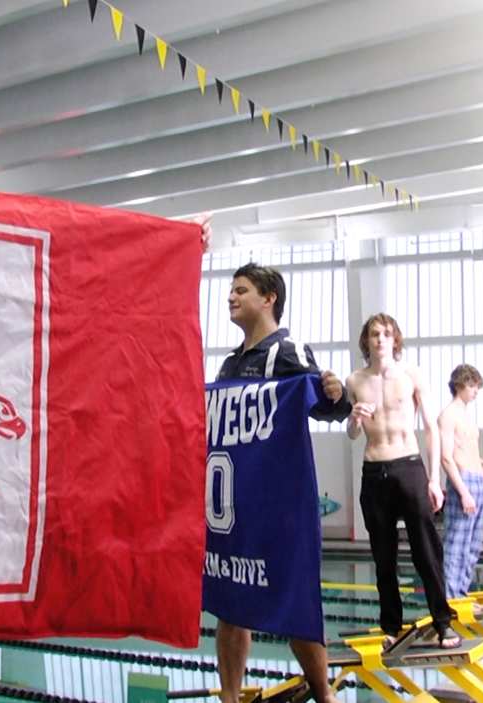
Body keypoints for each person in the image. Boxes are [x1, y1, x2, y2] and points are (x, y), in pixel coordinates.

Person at [214, 262, 350, 703]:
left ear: (268, 297)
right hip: (235, 508)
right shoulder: (231, 364)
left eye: (241, 290)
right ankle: (230, 697)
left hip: (279, 506)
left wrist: (337, 393)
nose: (231, 297)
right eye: (231, 290)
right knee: (231, 606)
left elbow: (327, 408)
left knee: (292, 603)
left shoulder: (286, 350)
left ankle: (324, 694)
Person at [345, 313, 458, 648]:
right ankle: (390, 627)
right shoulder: (354, 380)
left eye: (386, 333)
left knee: (427, 551)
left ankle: (443, 622)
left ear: (396, 340)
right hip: (374, 471)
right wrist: (353, 419)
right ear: (366, 341)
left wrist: (434, 479)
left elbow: (430, 428)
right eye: (374, 334)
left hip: (409, 467)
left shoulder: (412, 374)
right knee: (384, 557)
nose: (380, 339)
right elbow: (353, 434)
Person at [438, 364, 483, 600]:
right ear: (459, 385)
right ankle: (450, 598)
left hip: (479, 481)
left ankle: (461, 593)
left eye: (477, 386)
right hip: (464, 483)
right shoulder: (448, 415)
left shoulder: (466, 416)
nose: (475, 391)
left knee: (472, 547)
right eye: (472, 385)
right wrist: (463, 493)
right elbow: (446, 457)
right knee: (456, 545)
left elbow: (468, 450)